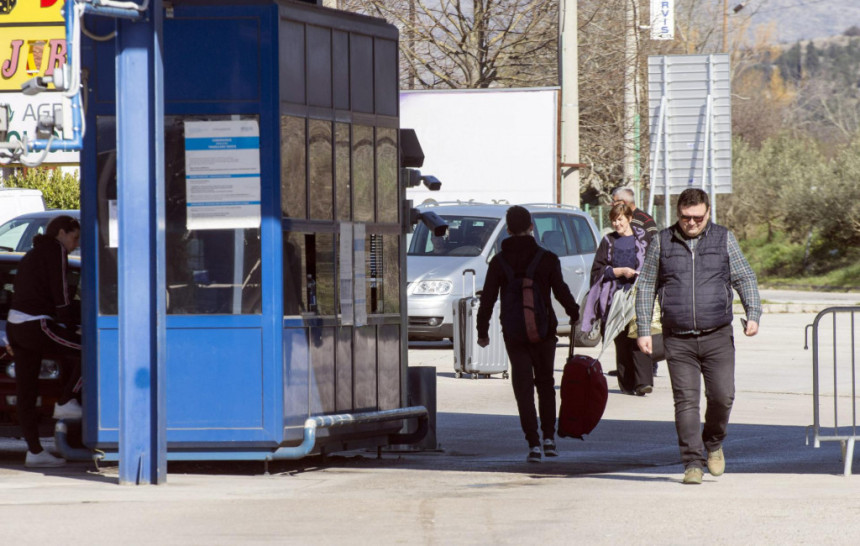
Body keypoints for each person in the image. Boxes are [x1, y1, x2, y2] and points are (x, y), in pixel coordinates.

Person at [635, 188, 761, 485]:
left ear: (708, 215)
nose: (690, 223)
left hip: (717, 335)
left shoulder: (723, 238)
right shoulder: (662, 241)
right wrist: (643, 329)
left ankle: (713, 442)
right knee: (686, 401)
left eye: (697, 218)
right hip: (678, 338)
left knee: (722, 396)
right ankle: (692, 462)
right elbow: (645, 287)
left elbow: (744, 276)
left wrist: (753, 313)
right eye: (684, 217)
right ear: (677, 213)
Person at [476, 206, 580, 463]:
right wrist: (575, 312)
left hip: (514, 334)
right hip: (544, 333)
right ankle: (549, 438)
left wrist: (482, 331)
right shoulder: (547, 258)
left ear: (508, 230)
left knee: (522, 388)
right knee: (545, 385)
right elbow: (561, 290)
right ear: (532, 226)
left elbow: (487, 299)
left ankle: (532, 443)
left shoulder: (498, 262)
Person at [7, 215, 83, 468]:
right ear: (61, 233)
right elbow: (61, 294)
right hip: (36, 323)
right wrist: (72, 324)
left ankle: (35, 451)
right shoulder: (55, 250)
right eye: (74, 238)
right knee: (94, 351)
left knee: (26, 390)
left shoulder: (32, 254)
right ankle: (65, 402)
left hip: (16, 326)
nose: (75, 244)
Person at [580, 203, 653, 395]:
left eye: (620, 219)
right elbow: (597, 270)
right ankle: (627, 383)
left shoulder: (644, 238)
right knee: (621, 341)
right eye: (613, 220)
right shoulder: (608, 241)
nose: (616, 223)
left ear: (629, 218)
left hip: (639, 296)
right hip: (614, 299)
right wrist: (618, 271)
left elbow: (655, 263)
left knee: (639, 334)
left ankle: (643, 382)